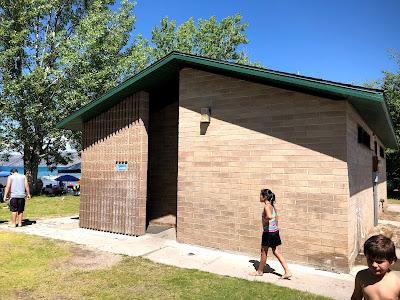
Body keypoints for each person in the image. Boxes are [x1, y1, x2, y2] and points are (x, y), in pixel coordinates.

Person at [250, 188, 292, 279]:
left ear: (264, 197)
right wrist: (275, 227)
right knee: (276, 251)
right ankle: (287, 271)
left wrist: (266, 218)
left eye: (261, 195)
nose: (259, 197)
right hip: (274, 232)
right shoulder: (272, 206)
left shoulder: (266, 207)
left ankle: (260, 271)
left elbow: (269, 216)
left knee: (264, 252)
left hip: (268, 233)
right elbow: (276, 218)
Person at [351, 234, 400, 300]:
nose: (374, 265)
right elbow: (356, 297)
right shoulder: (361, 276)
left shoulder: (397, 282)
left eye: (379, 262)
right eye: (370, 260)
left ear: (392, 261)